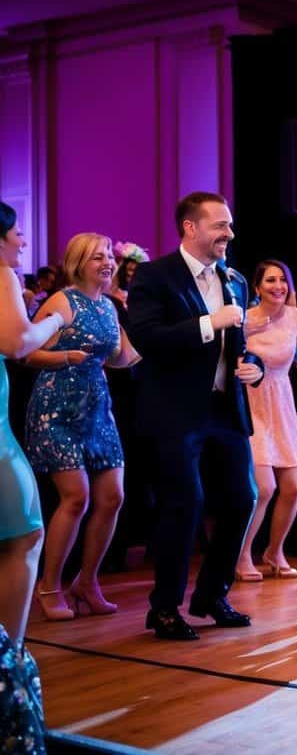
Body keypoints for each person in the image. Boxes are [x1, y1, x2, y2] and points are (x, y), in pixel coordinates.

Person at [126, 191, 264, 641]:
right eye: (220, 225)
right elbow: (148, 339)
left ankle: (211, 596)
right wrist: (212, 323)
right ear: (190, 227)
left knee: (243, 498)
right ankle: (164, 608)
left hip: (225, 409)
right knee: (184, 505)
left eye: (229, 225)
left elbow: (239, 343)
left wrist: (253, 367)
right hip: (175, 412)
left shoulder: (236, 280)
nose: (229, 233)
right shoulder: (154, 276)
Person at [24, 233, 139, 620]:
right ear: (77, 263)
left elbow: (121, 358)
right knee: (76, 497)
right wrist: (64, 358)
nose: (107, 262)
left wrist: (148, 332)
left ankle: (86, 582)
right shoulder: (61, 300)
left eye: (109, 256)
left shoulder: (108, 306)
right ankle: (49, 586)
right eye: (97, 257)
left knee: (113, 496)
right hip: (56, 407)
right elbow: (24, 352)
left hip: (97, 408)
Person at [0, 203, 68, 750]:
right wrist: (56, 318)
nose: (23, 241)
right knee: (26, 532)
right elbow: (17, 343)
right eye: (18, 233)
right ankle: (8, 656)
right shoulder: (0, 270)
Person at [235, 259, 297, 581]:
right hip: (252, 404)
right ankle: (242, 555)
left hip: (282, 403)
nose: (278, 286)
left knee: (292, 487)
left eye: (282, 280)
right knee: (264, 488)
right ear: (257, 287)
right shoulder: (245, 319)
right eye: (270, 280)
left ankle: (274, 550)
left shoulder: (296, 317)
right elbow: (230, 359)